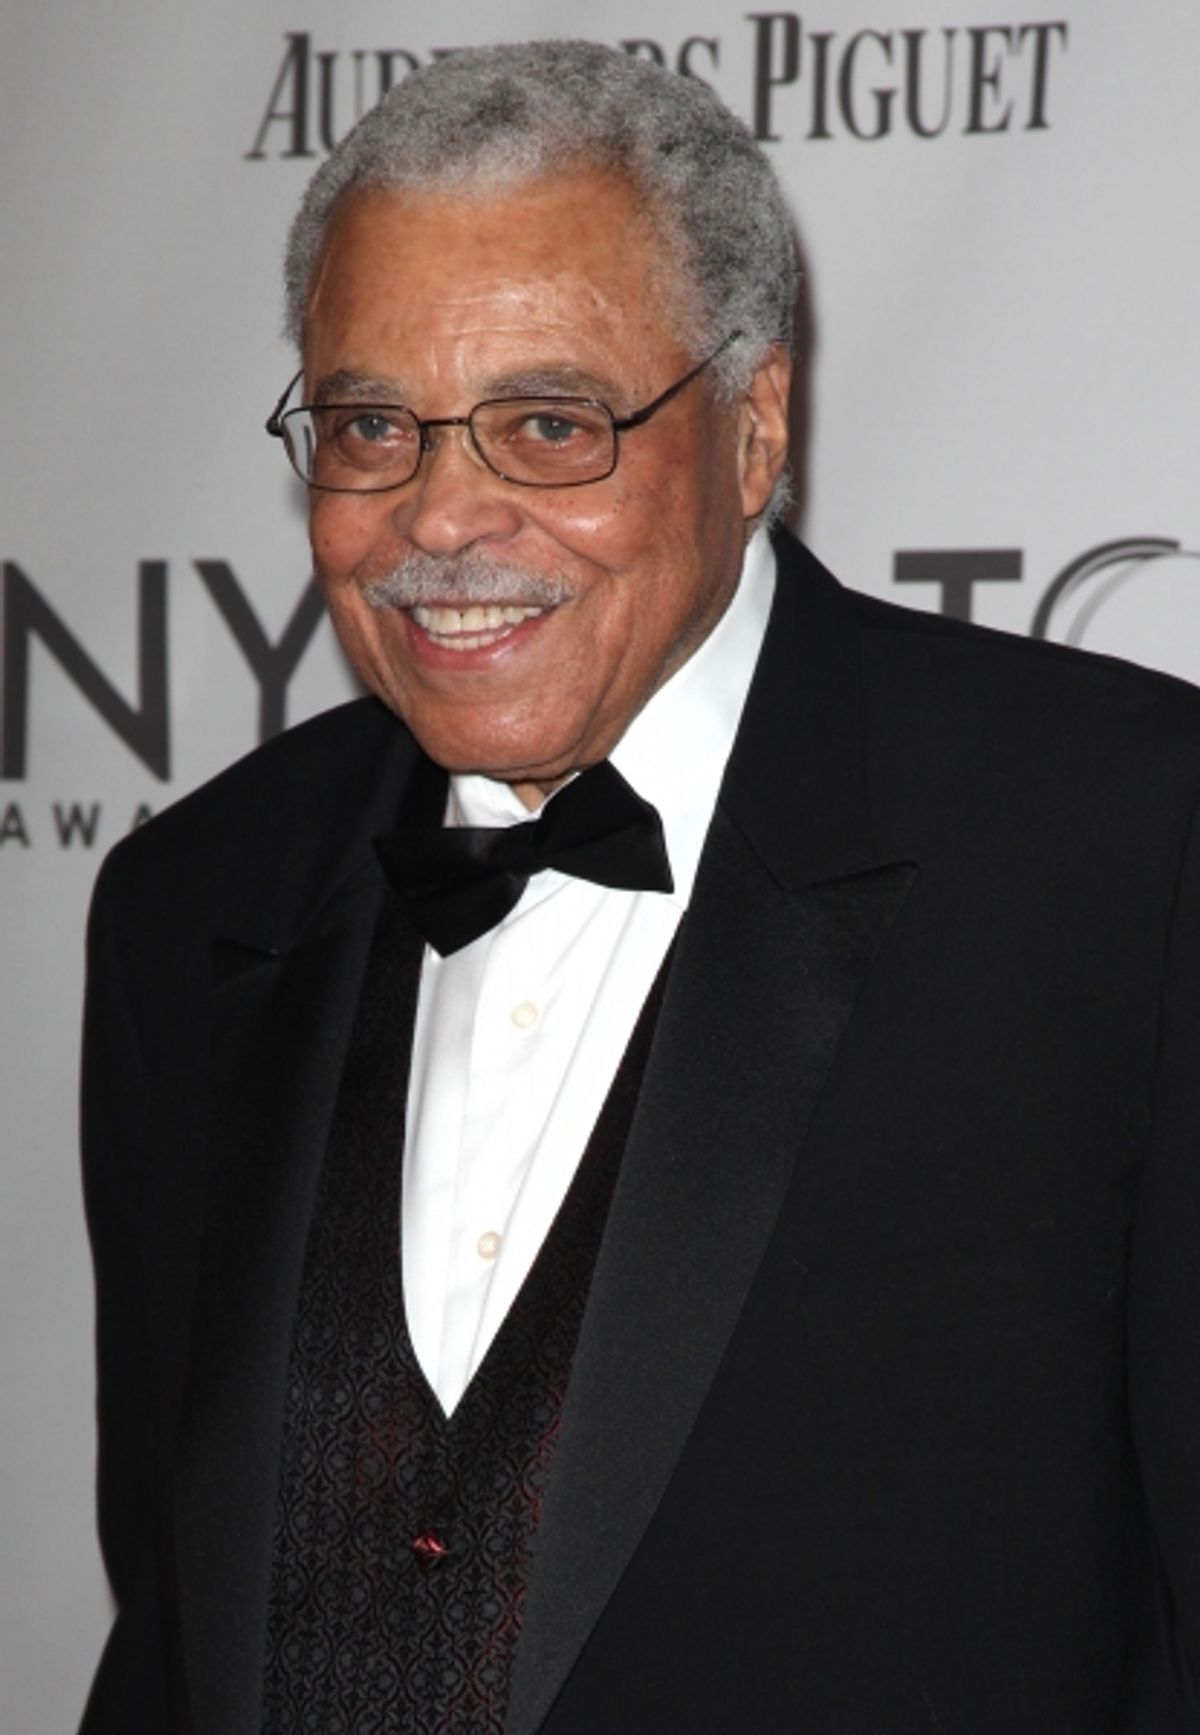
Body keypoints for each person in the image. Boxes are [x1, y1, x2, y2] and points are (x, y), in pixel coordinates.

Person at [79, 39, 1200, 1735]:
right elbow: (167, 1628)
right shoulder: (190, 904)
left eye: (549, 422)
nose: (439, 516)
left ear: (755, 430)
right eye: (372, 424)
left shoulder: (1127, 848)